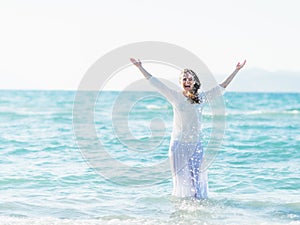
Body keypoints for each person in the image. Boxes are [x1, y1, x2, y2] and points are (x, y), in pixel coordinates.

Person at [130, 58, 246, 199]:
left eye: (190, 79)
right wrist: (140, 67)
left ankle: (198, 207)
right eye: (184, 79)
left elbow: (222, 86)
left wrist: (236, 70)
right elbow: (155, 82)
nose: (187, 81)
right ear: (180, 82)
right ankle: (182, 208)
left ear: (195, 82)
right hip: (178, 145)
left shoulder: (201, 98)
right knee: (180, 181)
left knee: (196, 180)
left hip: (195, 145)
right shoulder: (174, 95)